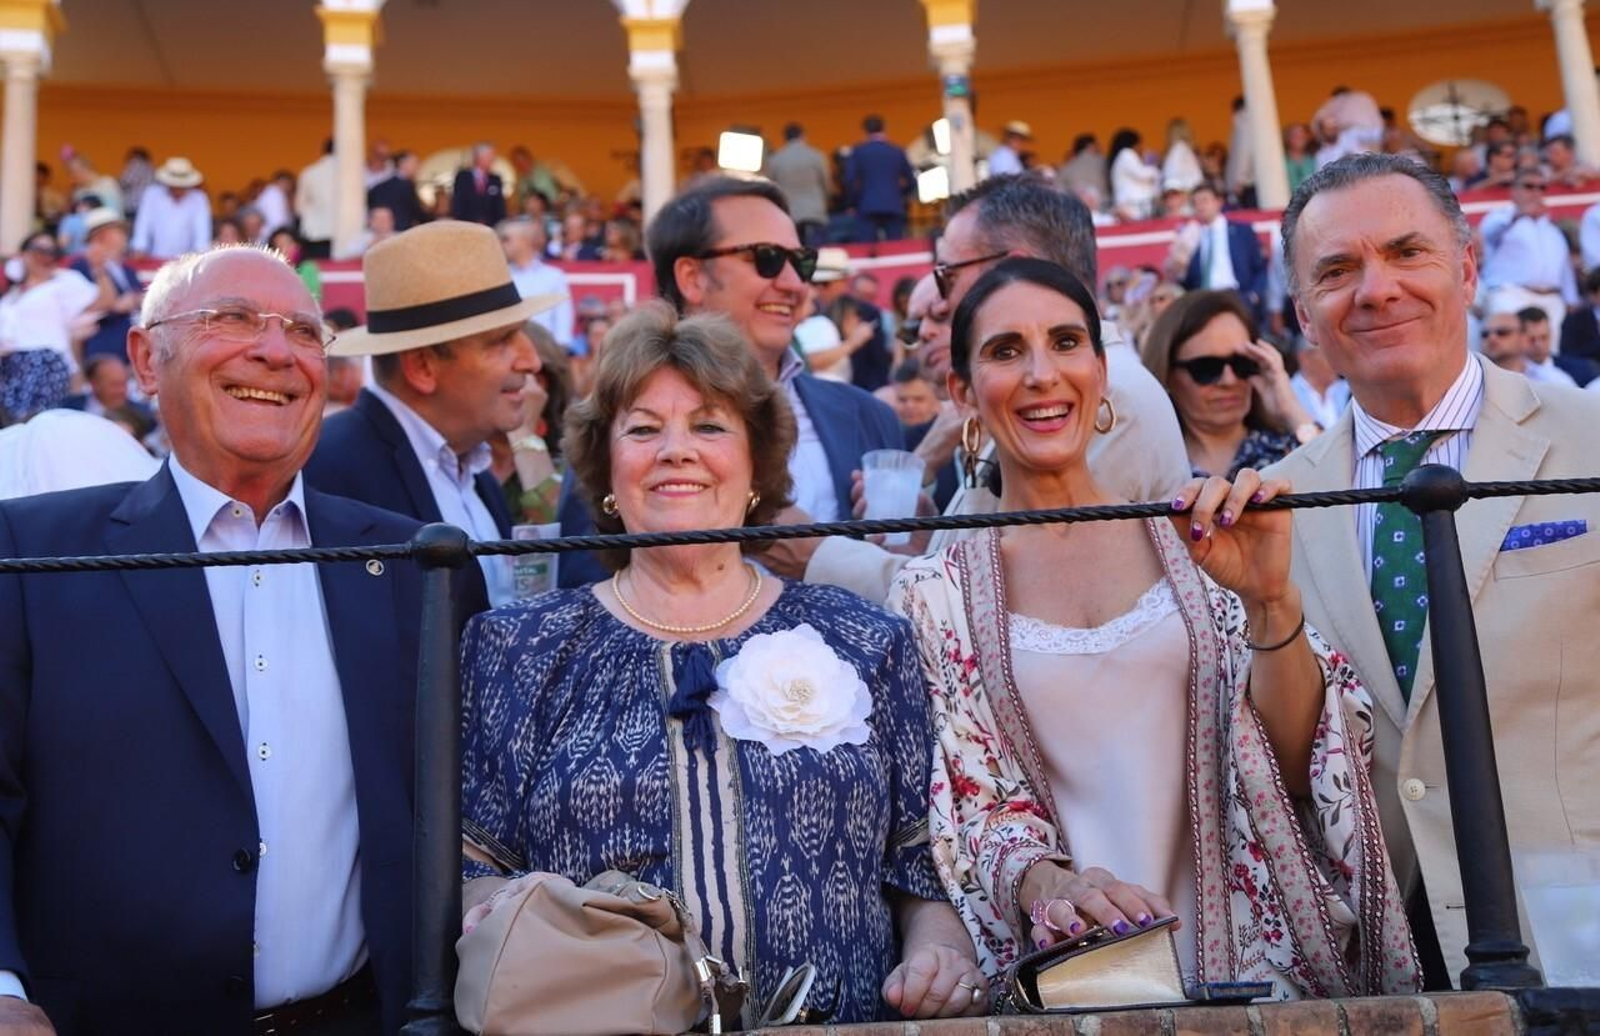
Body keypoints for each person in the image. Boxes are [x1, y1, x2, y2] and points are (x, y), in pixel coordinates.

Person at [889, 256, 1418, 994]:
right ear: (962, 392)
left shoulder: (1205, 539)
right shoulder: (933, 596)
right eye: (1006, 351)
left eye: (1066, 342)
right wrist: (1047, 885)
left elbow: (1306, 765)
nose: (1042, 374)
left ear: (1101, 371)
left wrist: (1269, 603)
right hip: (1077, 988)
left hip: (1258, 988)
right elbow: (967, 808)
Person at [0, 244, 487, 1034]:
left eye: (304, 331)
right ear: (146, 359)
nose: (275, 350)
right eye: (231, 319)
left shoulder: (417, 564)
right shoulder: (33, 553)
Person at [459, 301, 987, 1026]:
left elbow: (924, 872)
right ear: (607, 470)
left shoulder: (866, 639)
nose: (676, 450)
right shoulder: (521, 648)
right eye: (644, 429)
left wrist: (940, 956)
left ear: (755, 465)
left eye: (709, 426)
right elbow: (472, 867)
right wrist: (508, 914)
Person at [1267, 151, 1600, 986]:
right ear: (1304, 314)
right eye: (1336, 271)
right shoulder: (1280, 506)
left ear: (1467, 268)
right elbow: (1288, 758)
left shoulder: (1590, 441)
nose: (1376, 290)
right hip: (1388, 959)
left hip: (1581, 929)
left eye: (1406, 252)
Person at [795, 174, 1190, 602]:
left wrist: (815, 554)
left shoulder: (1104, 397)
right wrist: (933, 541)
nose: (942, 302)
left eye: (947, 276)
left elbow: (1006, 601)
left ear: (1012, 269)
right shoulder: (1045, 390)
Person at [557, 176, 903, 586]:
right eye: (767, 258)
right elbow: (585, 592)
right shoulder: (616, 425)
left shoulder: (869, 417)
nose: (793, 283)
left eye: (802, 262)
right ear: (692, 277)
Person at [306, 221, 560, 607]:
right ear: (423, 367)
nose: (530, 360)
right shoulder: (331, 470)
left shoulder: (473, 471)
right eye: (501, 341)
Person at [1141, 290, 1318, 478]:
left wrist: (1291, 410)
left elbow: (1334, 478)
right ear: (1167, 373)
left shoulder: (1289, 450)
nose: (1229, 380)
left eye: (1242, 364)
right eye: (1207, 368)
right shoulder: (1148, 467)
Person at [0, 231, 104, 421]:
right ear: (24, 253)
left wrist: (99, 269)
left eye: (53, 251)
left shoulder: (62, 281)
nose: (45, 256)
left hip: (44, 363)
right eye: (39, 250)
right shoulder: (10, 296)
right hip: (8, 368)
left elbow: (102, 302)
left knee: (32, 423)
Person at [1477, 171, 1578, 331]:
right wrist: (1519, 214)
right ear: (1514, 191)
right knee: (1508, 343)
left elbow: (1564, 267)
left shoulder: (1552, 229)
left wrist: (1571, 299)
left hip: (1551, 299)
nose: (1536, 192)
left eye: (1542, 187)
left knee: (1549, 346)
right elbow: (1488, 235)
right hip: (1511, 295)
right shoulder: (1501, 216)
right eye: (1529, 186)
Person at [1178, 182, 1268, 320]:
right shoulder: (1190, 238)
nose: (1200, 206)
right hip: (1205, 302)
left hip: (1237, 297)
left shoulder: (1241, 231)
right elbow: (1188, 280)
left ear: (1218, 202)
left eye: (1204, 200)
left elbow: (1259, 267)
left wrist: (1253, 295)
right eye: (1195, 203)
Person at [498, 217, 574, 350]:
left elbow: (563, 320)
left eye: (506, 239)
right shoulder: (500, 277)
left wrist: (560, 351)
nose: (500, 244)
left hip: (546, 352)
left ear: (524, 241)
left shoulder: (554, 276)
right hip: (509, 351)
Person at [847, 115, 915, 241]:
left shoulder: (858, 152)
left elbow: (850, 181)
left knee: (866, 248)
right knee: (895, 247)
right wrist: (899, 194)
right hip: (894, 205)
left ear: (865, 131)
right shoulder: (897, 151)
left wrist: (852, 203)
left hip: (866, 206)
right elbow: (911, 180)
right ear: (884, 128)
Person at [763, 122, 832, 247]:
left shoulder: (775, 159)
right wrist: (827, 200)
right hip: (814, 211)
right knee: (818, 249)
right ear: (802, 136)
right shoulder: (816, 156)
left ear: (785, 138)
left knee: (795, 248)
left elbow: (770, 187)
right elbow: (826, 183)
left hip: (790, 211)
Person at [129, 157, 211, 259]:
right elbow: (143, 223)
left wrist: (200, 254)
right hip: (154, 256)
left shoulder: (199, 199)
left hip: (186, 260)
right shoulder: (152, 194)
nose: (178, 188)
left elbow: (202, 232)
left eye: (182, 186)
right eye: (174, 185)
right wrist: (139, 247)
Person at [1289, 334, 1351, 429]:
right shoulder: (1288, 393)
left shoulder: (1350, 389)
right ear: (1304, 358)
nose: (1337, 361)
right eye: (1330, 354)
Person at [294, 140, 338, 260]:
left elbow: (299, 208)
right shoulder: (352, 172)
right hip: (345, 236)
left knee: (318, 268)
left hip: (315, 233)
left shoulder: (309, 172)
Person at [366, 150, 427, 232]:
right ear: (402, 163)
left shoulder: (380, 186)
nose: (417, 167)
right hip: (400, 232)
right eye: (414, 163)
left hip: (383, 232)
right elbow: (416, 211)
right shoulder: (406, 185)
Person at [1108, 128, 1160, 221]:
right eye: (1140, 144)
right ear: (1134, 144)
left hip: (1132, 207)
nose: (1141, 148)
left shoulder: (1120, 158)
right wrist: (1155, 169)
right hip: (1132, 207)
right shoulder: (1126, 154)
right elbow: (1142, 174)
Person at [451, 143, 507, 226]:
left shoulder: (495, 179)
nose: (493, 160)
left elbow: (500, 207)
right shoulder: (462, 177)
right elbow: (458, 204)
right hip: (467, 225)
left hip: (491, 227)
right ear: (479, 157)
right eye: (490, 156)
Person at [1161, 117, 1203, 194]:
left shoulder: (1178, 148)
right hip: (1187, 191)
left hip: (1180, 193)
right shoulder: (1185, 148)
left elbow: (1171, 175)